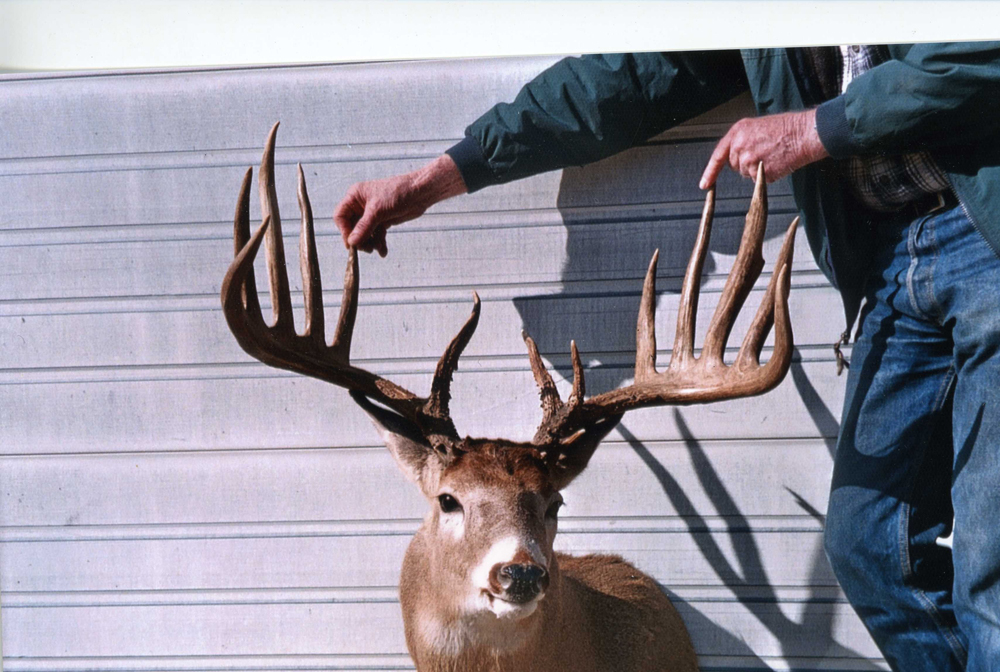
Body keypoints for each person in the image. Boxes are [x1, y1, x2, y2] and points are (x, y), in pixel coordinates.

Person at [333, 45, 1000, 672]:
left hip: (988, 236)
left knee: (990, 565)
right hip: (890, 259)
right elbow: (631, 77)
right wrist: (442, 176)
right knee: (870, 548)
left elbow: (978, 50)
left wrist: (818, 128)